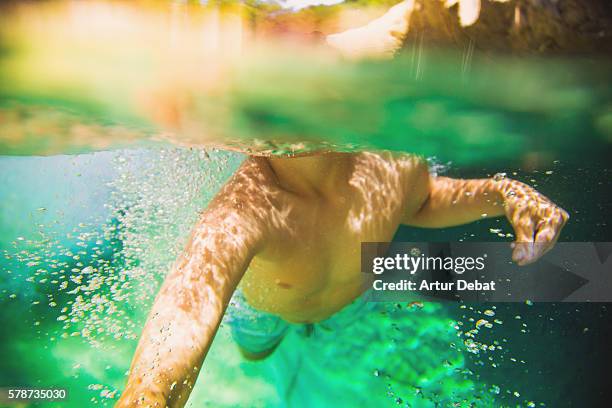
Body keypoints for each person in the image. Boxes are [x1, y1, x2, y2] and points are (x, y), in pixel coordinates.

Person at [116, 2, 568, 407]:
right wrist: (150, 391)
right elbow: (189, 305)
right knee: (257, 352)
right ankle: (274, 350)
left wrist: (503, 192)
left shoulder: (389, 157)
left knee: (355, 325)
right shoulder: (245, 210)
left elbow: (425, 199)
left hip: (353, 300)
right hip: (263, 316)